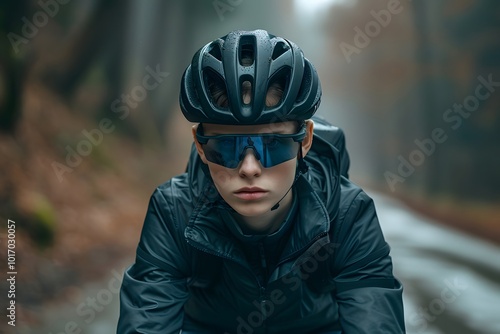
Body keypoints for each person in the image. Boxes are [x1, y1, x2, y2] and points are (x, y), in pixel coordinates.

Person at [117, 29, 405, 333]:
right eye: (226, 147)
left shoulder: (347, 213)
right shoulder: (173, 210)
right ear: (201, 147)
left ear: (304, 140)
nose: (249, 168)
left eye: (272, 144)